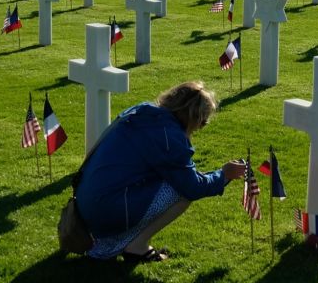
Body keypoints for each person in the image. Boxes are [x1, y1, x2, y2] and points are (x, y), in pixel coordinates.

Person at [73, 81, 251, 263]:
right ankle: (135, 246)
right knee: (181, 193)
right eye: (203, 121)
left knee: (172, 181)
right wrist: (224, 175)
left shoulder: (144, 111)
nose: (201, 126)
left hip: (84, 203)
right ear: (193, 117)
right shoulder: (168, 137)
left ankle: (110, 239)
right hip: (104, 209)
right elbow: (192, 187)